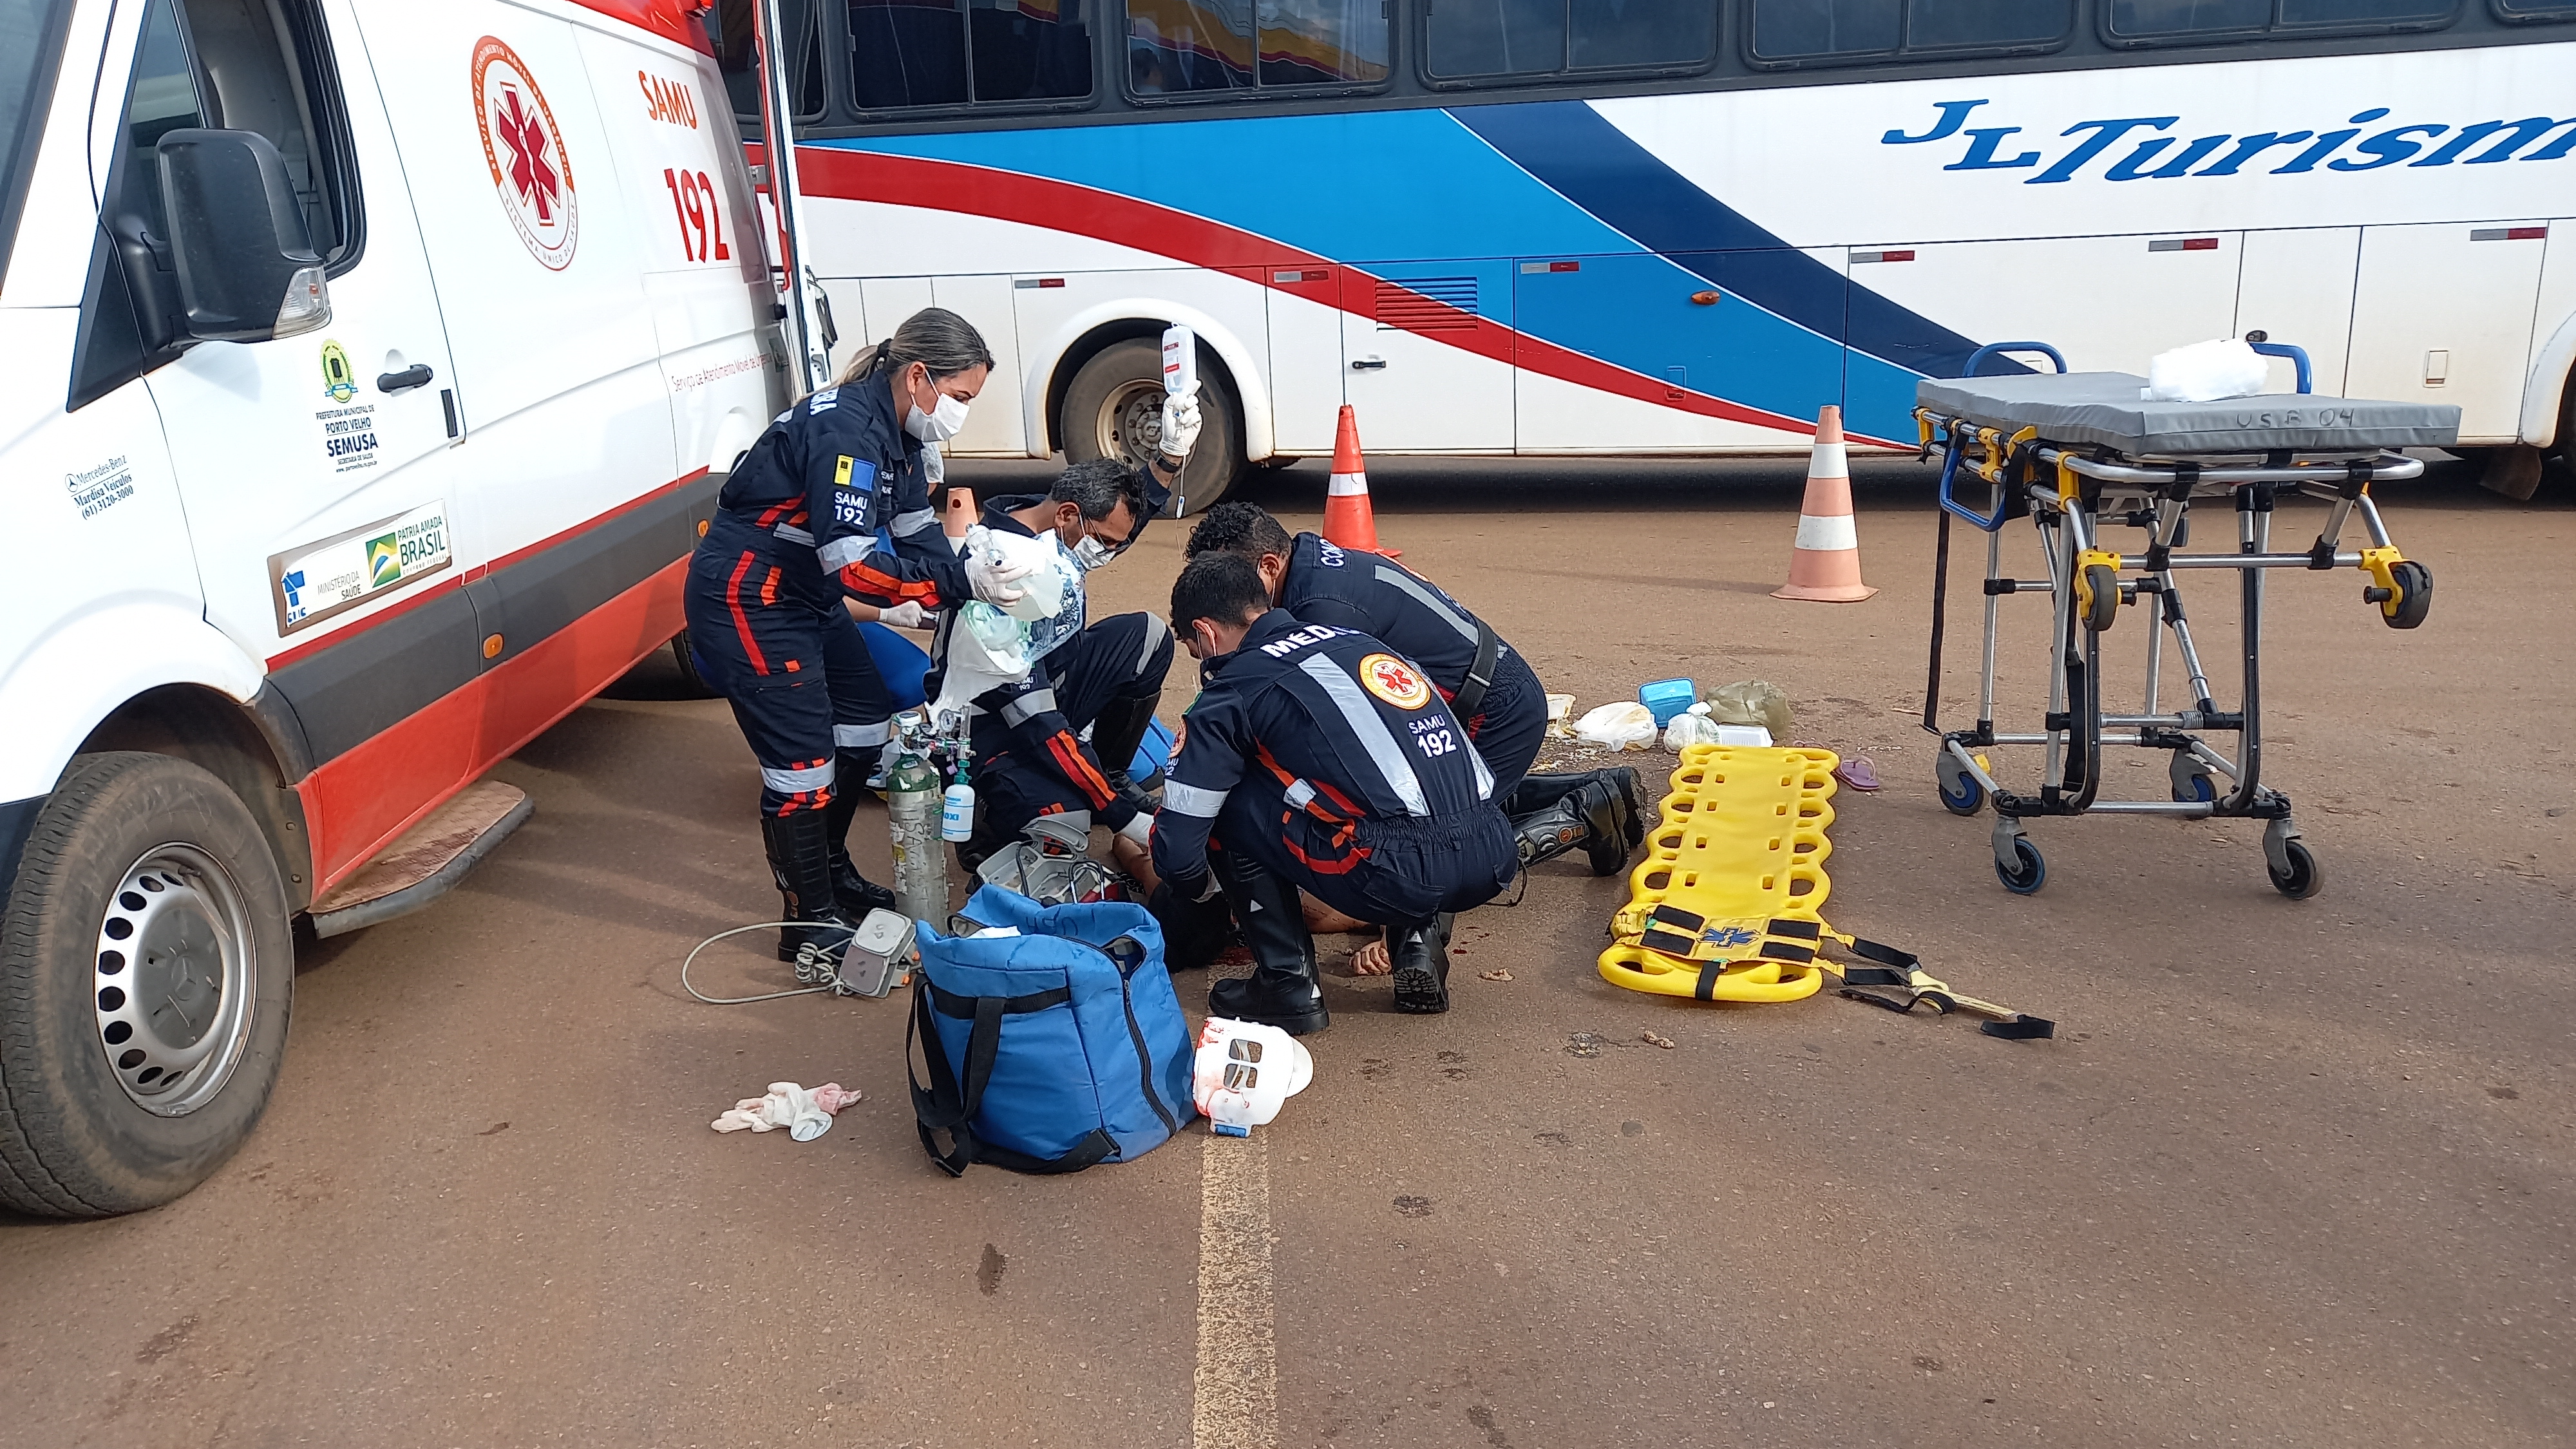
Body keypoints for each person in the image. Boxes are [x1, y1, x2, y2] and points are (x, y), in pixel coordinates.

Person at [683, 308, 1034, 961]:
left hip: (802, 593)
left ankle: (831, 871)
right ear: (919, 377)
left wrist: (965, 578)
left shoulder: (899, 434)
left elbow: (916, 535)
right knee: (801, 768)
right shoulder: (847, 431)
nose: (960, 412)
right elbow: (856, 568)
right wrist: (952, 586)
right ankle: (806, 922)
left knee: (865, 720)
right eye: (960, 397)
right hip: (750, 597)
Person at [1150, 552, 1519, 1032]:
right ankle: (1417, 940)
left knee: (1228, 802)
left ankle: (1288, 984)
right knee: (1383, 797)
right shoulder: (1360, 642)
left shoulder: (1236, 688)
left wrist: (1202, 898)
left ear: (1204, 633)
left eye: (1195, 650)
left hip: (1398, 871)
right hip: (1492, 847)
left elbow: (1179, 852)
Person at [1182, 502, 1643, 880]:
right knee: (1445, 795)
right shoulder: (1309, 562)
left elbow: (1342, 732)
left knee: (1453, 846)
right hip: (1487, 690)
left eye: (1230, 578)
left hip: (1490, 709)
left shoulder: (1318, 609)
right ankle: (1598, 788)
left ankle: (1582, 814)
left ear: (1268, 565)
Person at [909, 446, 1199, 878]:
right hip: (985, 725)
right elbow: (1039, 724)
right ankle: (984, 814)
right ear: (1068, 515)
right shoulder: (1007, 573)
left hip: (1044, 683)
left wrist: (1167, 462)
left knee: (1146, 637)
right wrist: (1122, 817)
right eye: (1104, 542)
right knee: (1067, 824)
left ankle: (1102, 776)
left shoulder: (1047, 530)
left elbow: (1112, 527)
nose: (1107, 553)